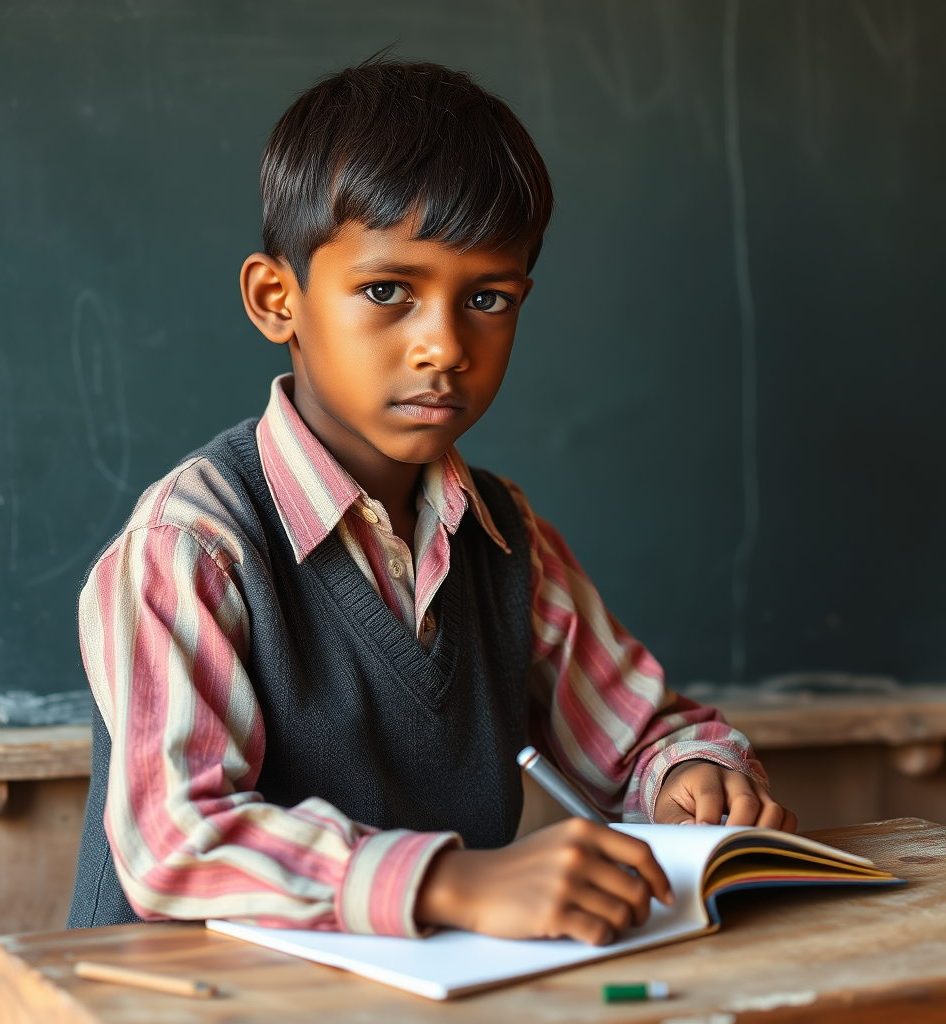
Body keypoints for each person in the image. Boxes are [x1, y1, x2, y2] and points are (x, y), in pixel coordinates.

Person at [68, 56, 796, 945]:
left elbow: (639, 735)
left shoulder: (506, 537)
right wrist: (449, 882)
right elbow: (176, 842)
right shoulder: (192, 546)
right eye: (387, 292)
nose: (444, 346)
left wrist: (690, 774)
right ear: (276, 299)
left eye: (489, 298)